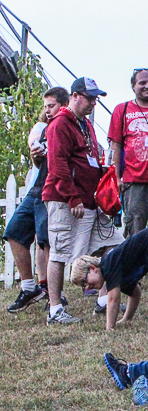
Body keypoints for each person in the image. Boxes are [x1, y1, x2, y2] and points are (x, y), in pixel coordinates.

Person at [42, 77, 126, 324]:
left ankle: (103, 299)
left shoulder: (85, 125)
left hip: (90, 200)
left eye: (95, 99)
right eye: (89, 98)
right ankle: (55, 309)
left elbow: (91, 157)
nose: (93, 103)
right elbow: (56, 164)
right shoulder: (60, 124)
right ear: (75, 96)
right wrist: (72, 197)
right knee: (59, 252)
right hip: (65, 200)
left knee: (112, 244)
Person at [5, 87, 68, 313]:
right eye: (45, 106)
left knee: (46, 242)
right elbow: (34, 141)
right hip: (36, 188)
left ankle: (55, 298)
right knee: (14, 232)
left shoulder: (68, 127)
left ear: (64, 104)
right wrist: (35, 151)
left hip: (52, 190)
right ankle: (29, 287)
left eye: (52, 105)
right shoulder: (43, 127)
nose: (47, 110)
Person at [108, 68, 148, 238]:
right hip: (134, 180)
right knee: (134, 229)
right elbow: (115, 145)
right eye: (142, 83)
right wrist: (117, 177)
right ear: (133, 87)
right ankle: (135, 265)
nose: (147, 86)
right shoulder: (122, 109)